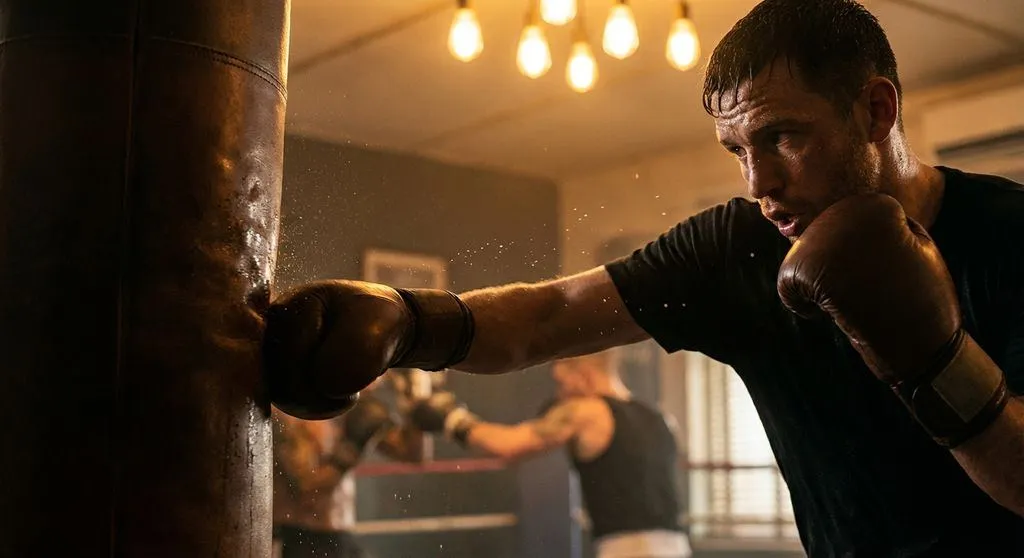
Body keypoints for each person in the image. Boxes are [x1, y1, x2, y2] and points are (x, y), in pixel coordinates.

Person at [262, 0, 1024, 555]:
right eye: (735, 149)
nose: (760, 182)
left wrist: (936, 362)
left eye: (783, 136)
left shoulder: (1011, 239)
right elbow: (550, 314)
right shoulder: (736, 248)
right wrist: (409, 321)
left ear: (876, 109)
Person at [408, 350, 691, 558]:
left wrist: (450, 418)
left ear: (584, 373)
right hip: (676, 547)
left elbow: (509, 446)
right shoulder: (660, 418)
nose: (561, 392)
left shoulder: (586, 411)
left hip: (630, 550)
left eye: (563, 381)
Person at [272, 376, 424, 558]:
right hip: (301, 537)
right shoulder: (289, 413)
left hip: (340, 535)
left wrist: (418, 409)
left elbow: (412, 455)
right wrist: (352, 447)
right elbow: (308, 490)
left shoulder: (351, 410)